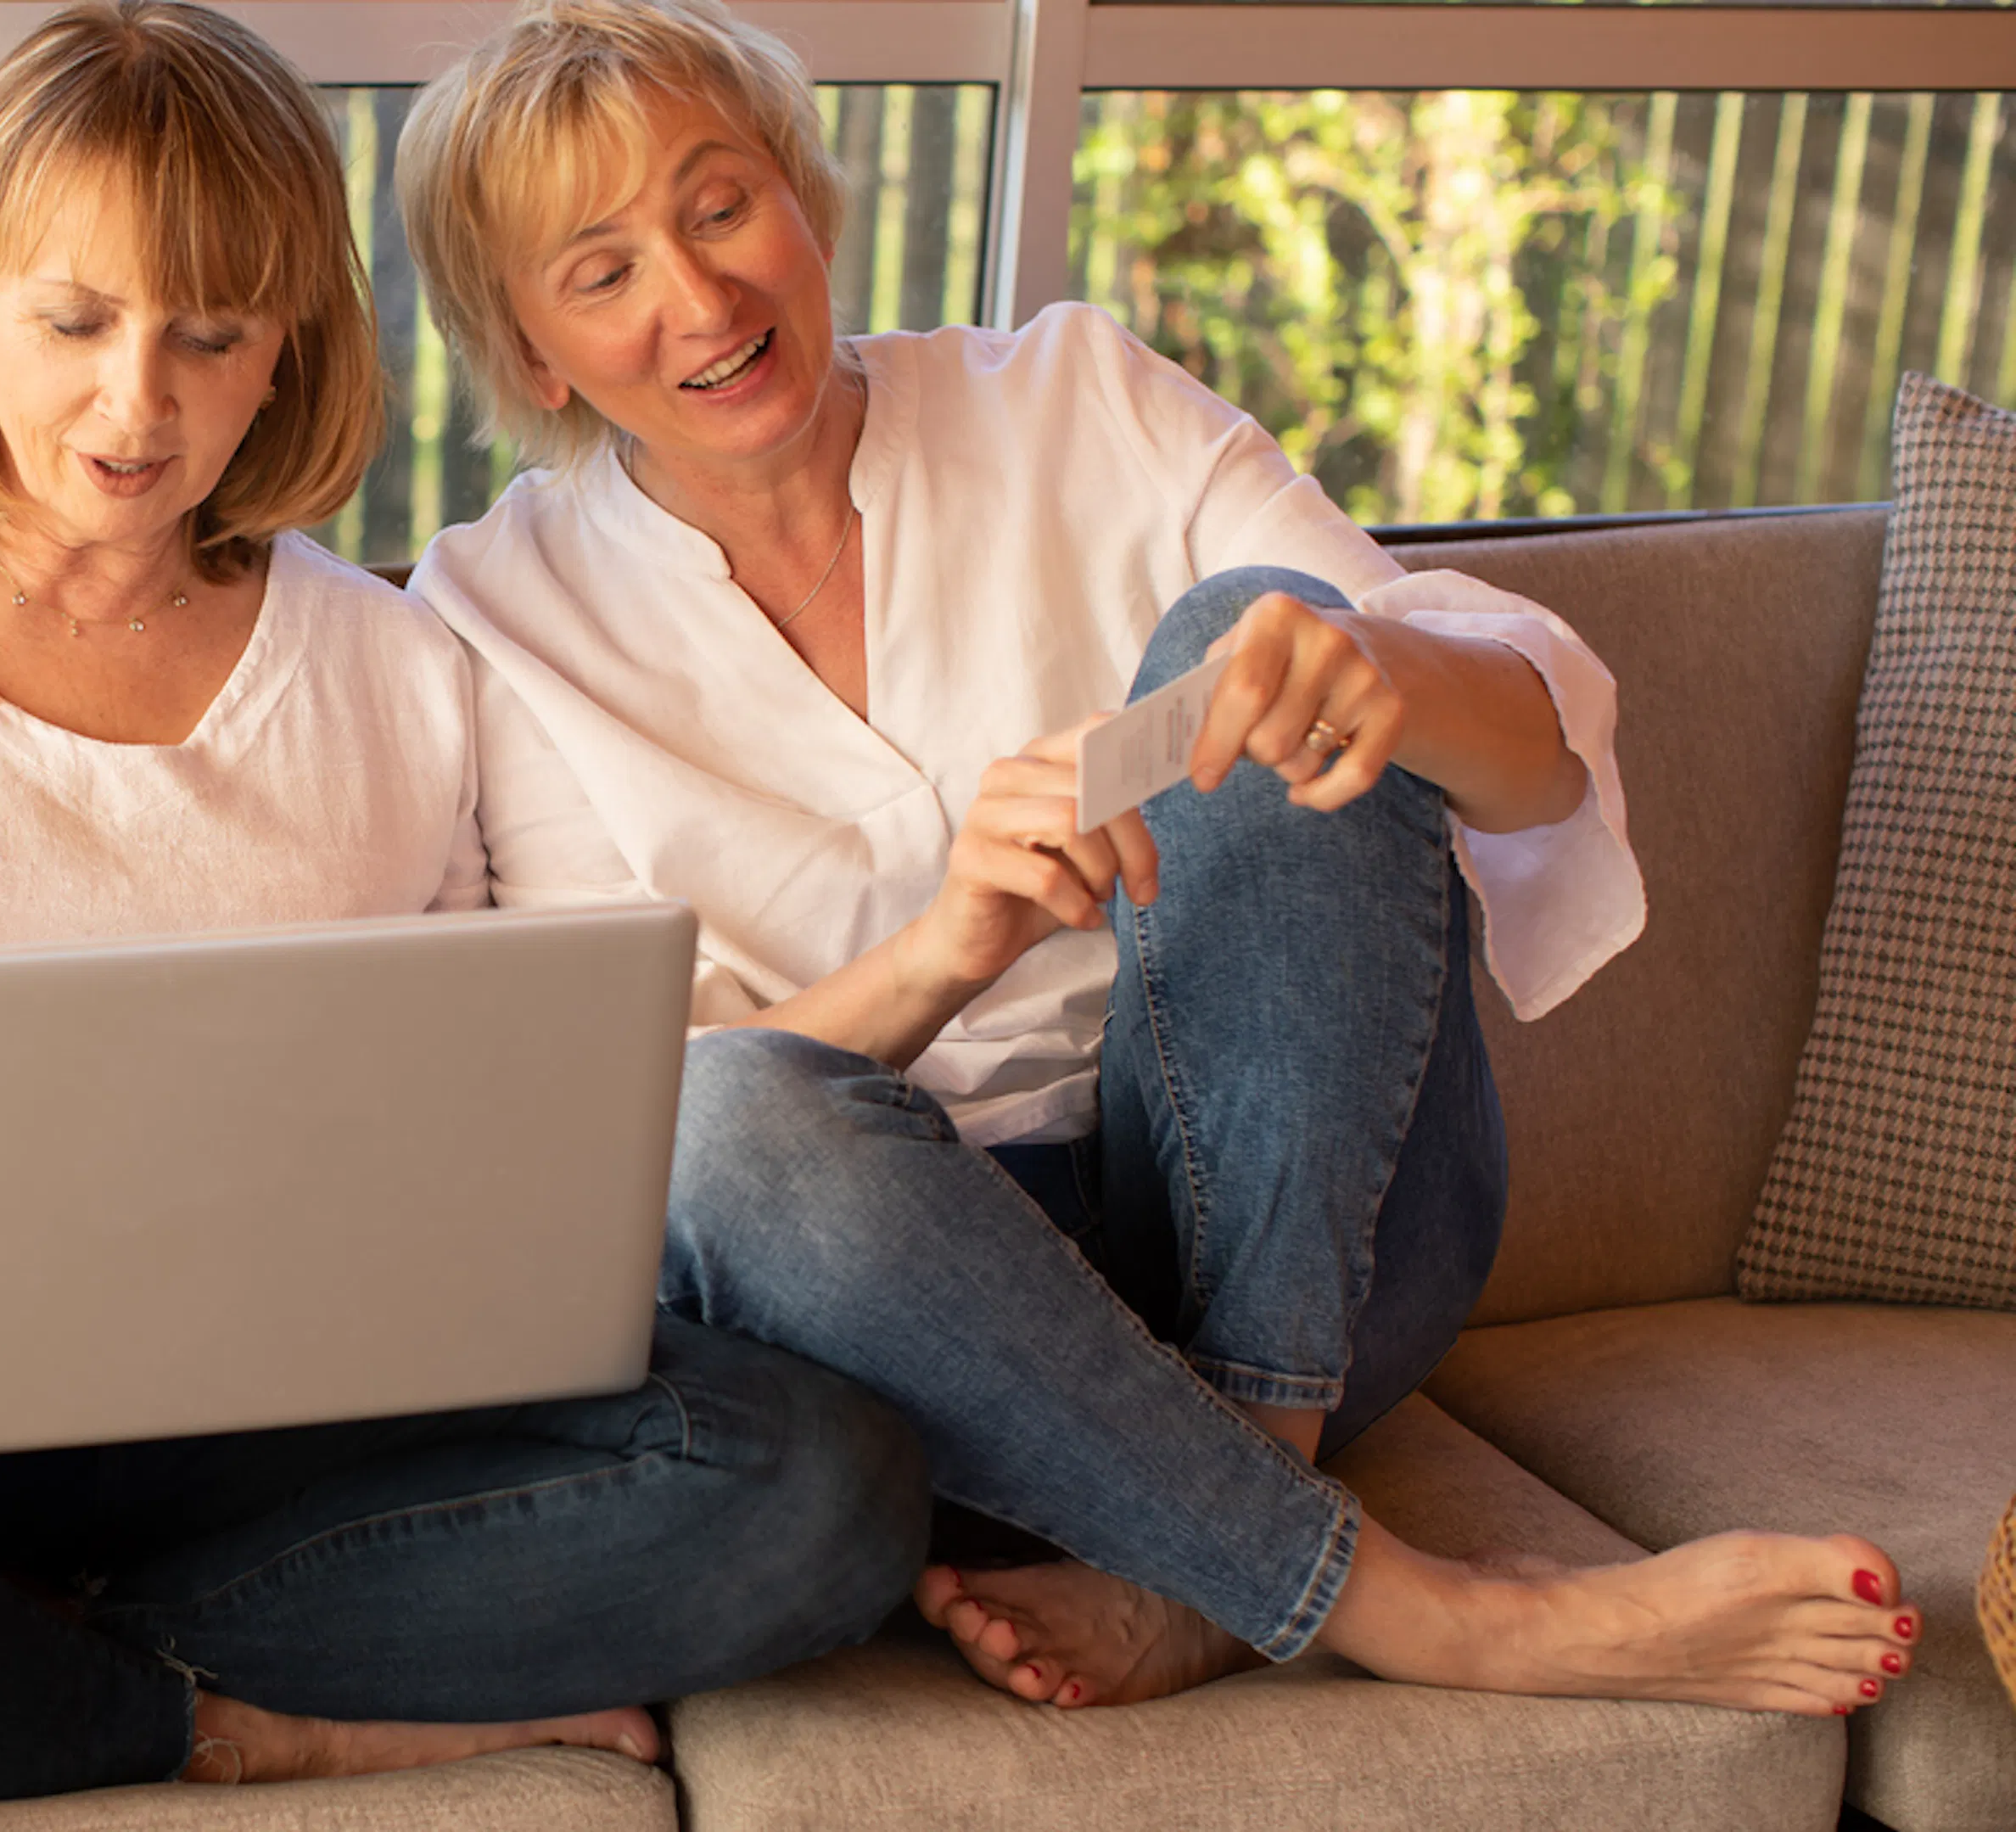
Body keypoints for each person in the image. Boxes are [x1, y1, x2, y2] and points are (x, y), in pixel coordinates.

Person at [0, 2, 931, 1809]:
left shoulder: (401, 664)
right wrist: (90, 1158)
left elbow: (534, 1094)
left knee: (824, 1479)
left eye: (211, 335)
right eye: (76, 321)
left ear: (288, 350)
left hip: (297, 1427)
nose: (138, 405)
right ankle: (222, 1712)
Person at [398, 0, 1921, 1717]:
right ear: (531, 353)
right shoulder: (493, 614)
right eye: (599, 272)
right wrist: (949, 945)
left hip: (1307, 1233)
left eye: (720, 203)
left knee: (1267, 633)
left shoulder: (1075, 394)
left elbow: (1533, 759)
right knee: (726, 1109)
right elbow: (632, 1143)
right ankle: (1398, 1599)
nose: (698, 298)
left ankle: (1233, 1492)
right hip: (919, 1318)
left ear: (808, 200)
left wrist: (1394, 674)